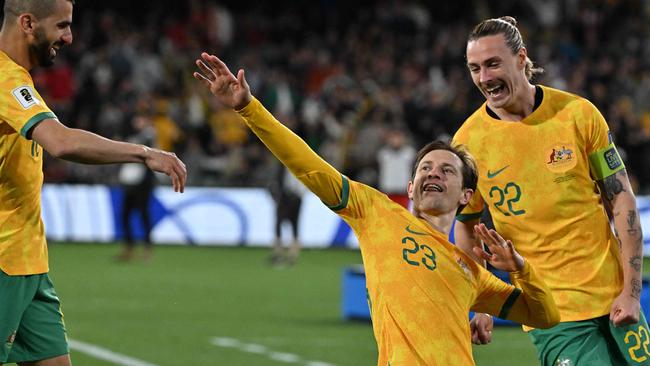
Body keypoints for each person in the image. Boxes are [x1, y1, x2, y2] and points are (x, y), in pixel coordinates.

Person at [193, 52, 560, 365]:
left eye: (447, 170)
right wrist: (248, 108)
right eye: (426, 169)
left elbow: (546, 315)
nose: (435, 173)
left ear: (466, 196)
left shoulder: (470, 272)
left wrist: (521, 269)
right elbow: (308, 164)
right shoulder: (376, 213)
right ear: (411, 187)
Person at [453, 16, 648, 365]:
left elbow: (621, 199)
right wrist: (480, 300)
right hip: (551, 312)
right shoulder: (469, 143)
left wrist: (632, 292)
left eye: (493, 63)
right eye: (475, 68)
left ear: (522, 58)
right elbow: (465, 225)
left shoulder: (578, 114)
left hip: (615, 297)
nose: (484, 78)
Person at [0, 1, 187, 365]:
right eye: (62, 26)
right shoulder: (5, 79)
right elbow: (61, 142)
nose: (69, 37)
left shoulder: (18, 79)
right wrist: (144, 153)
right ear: (27, 23)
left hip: (29, 264)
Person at [116, 115, 157, 262]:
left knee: (143, 214)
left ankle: (147, 249)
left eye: (141, 119)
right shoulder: (133, 136)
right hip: (131, 181)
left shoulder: (149, 134)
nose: (137, 121)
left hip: (144, 181)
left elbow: (147, 146)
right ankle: (129, 247)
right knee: (125, 214)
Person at [269, 164, 306, 266]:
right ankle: (284, 255)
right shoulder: (289, 165)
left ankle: (287, 255)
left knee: (291, 225)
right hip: (288, 197)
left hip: (290, 198)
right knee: (286, 226)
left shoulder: (287, 165)